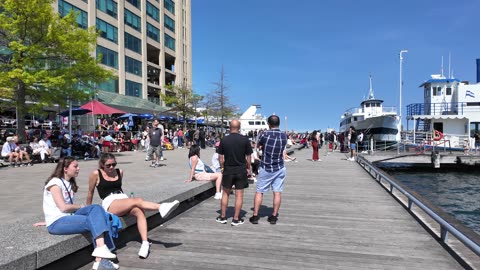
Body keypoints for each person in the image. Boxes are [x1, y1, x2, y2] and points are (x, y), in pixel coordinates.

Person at [87, 153, 179, 259]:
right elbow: (90, 192)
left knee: (139, 210)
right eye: (108, 165)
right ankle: (161, 207)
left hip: (122, 198)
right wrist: (88, 209)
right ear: (102, 165)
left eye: (114, 164)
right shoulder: (96, 174)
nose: (112, 167)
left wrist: (126, 201)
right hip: (110, 202)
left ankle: (145, 243)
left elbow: (119, 189)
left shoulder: (119, 172)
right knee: (137, 200)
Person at [43, 157, 119, 270]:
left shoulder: (69, 183)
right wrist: (81, 206)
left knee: (96, 208)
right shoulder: (55, 182)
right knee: (95, 221)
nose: (78, 168)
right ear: (65, 169)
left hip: (67, 218)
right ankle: (101, 257)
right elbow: (63, 208)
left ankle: (100, 254)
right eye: (75, 166)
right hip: (57, 222)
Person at [249, 115, 288, 225]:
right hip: (279, 167)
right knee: (277, 192)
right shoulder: (284, 136)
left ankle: (255, 216)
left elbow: (258, 146)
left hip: (266, 167)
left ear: (269, 124)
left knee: (259, 191)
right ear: (279, 123)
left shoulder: (264, 134)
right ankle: (274, 216)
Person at [216, 119, 253, 226]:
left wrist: (222, 168)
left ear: (229, 127)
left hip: (228, 170)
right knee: (239, 195)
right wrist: (248, 168)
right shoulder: (245, 140)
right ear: (239, 127)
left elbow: (220, 157)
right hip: (241, 170)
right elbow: (249, 157)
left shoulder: (224, 140)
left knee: (225, 194)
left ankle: (223, 216)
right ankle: (236, 219)